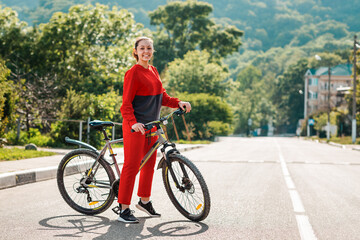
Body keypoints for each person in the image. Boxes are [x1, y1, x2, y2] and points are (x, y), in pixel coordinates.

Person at [117, 36, 191, 223]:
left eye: (149, 48)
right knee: (131, 166)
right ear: (135, 51)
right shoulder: (133, 73)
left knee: (149, 165)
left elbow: (162, 97)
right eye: (142, 48)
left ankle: (144, 201)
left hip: (152, 126)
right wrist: (133, 122)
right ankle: (123, 208)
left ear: (153, 51)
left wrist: (178, 102)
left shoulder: (153, 70)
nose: (146, 52)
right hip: (136, 127)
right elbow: (125, 104)